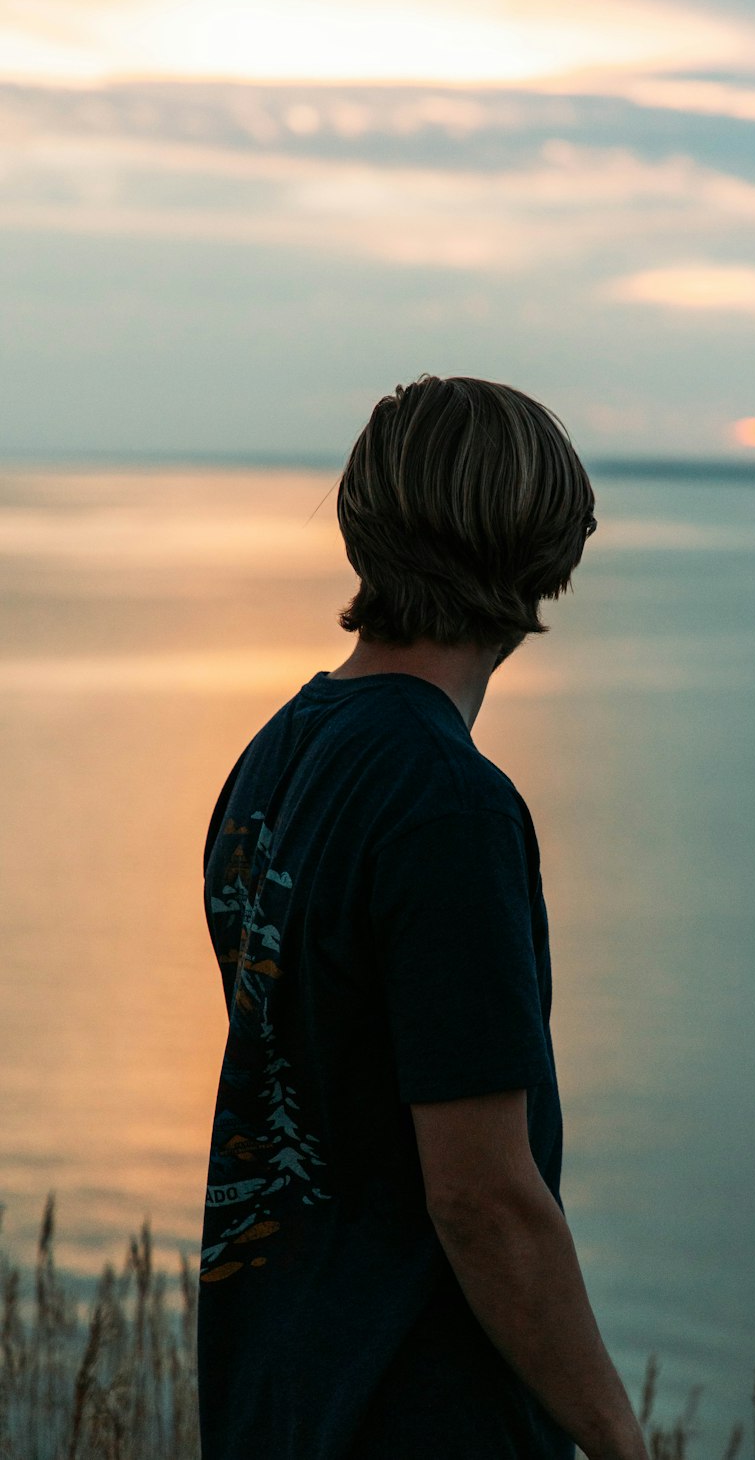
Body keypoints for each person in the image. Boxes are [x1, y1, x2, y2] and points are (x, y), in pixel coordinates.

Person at [198, 374, 650, 1460]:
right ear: (550, 556)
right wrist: (621, 1443)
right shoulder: (446, 803)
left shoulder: (276, 754)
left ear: (366, 530)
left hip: (280, 1394)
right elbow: (482, 1197)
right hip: (417, 1414)